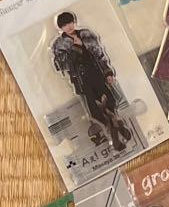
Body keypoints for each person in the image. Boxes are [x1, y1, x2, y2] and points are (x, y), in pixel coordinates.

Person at [51, 12, 132, 152]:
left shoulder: (86, 35)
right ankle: (118, 129)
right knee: (96, 110)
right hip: (82, 81)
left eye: (70, 22)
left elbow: (100, 55)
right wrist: (75, 48)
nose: (69, 26)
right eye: (64, 25)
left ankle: (117, 134)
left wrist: (108, 72)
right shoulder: (59, 45)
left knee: (109, 104)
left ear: (74, 21)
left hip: (97, 75)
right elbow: (62, 66)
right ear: (60, 28)